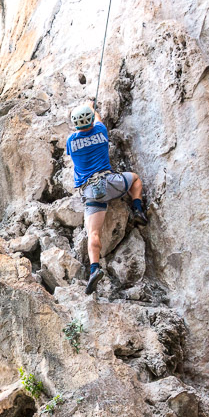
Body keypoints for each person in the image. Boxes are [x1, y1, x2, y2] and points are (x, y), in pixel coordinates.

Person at [66, 102, 147, 294]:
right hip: (110, 183)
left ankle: (94, 269)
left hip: (92, 191)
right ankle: (137, 209)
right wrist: (92, 108)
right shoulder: (100, 130)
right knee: (135, 179)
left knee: (93, 233)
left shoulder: (71, 141)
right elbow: (98, 120)